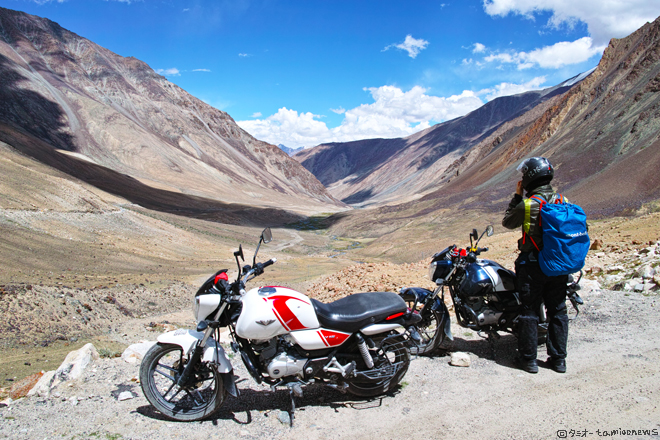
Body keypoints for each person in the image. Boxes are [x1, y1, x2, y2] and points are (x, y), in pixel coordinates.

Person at [502, 157, 569, 374]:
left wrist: (516, 196)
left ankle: (528, 360)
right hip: (558, 265)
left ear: (530, 178)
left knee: (529, 311)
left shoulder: (529, 204)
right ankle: (558, 360)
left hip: (532, 266)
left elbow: (508, 222)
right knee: (558, 310)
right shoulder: (562, 200)